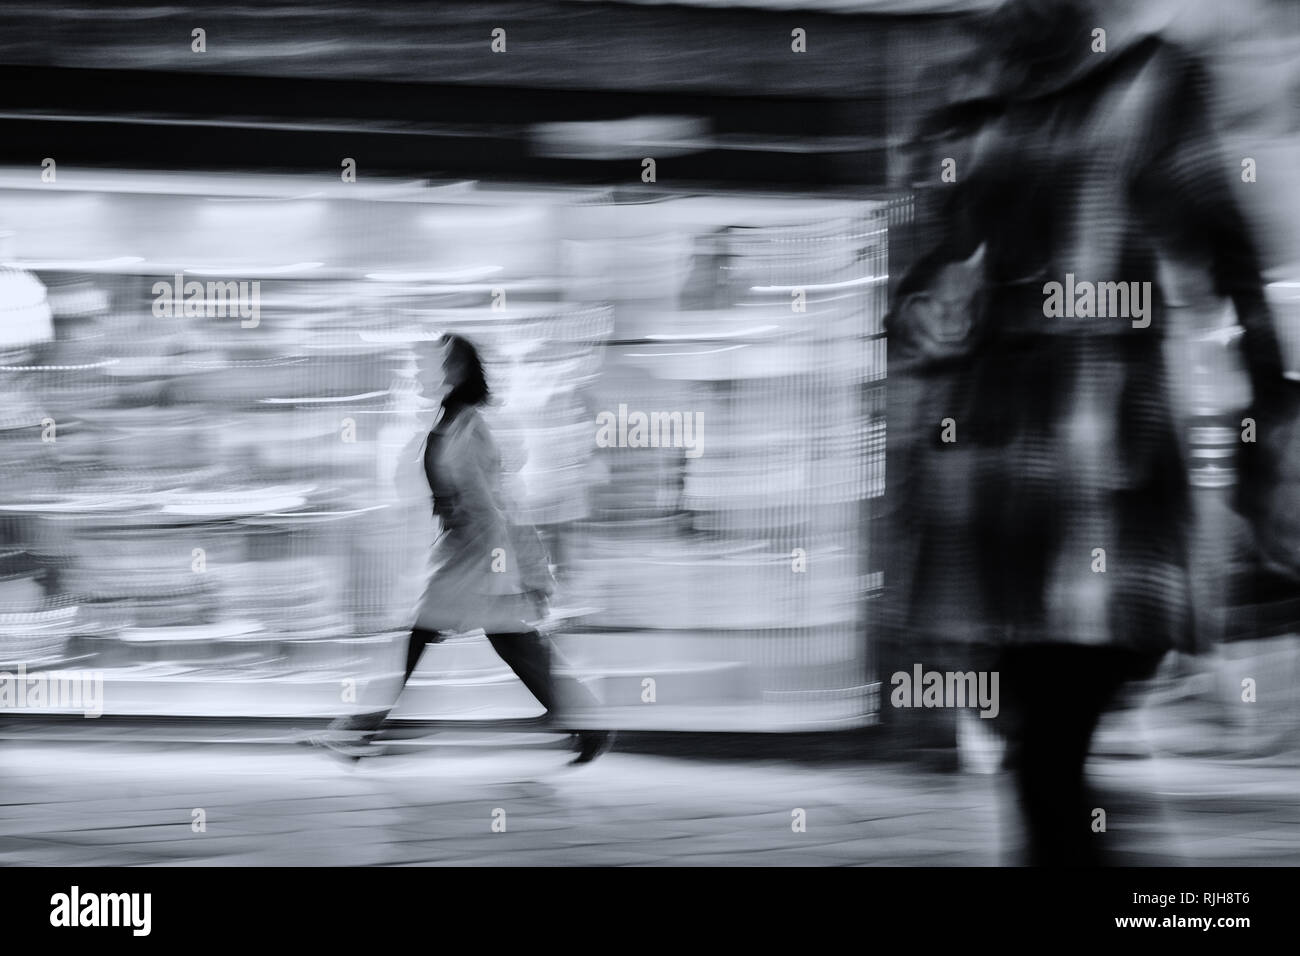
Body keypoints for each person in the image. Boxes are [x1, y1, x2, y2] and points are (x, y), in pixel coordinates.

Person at [898, 0, 1296, 864]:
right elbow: (934, 267)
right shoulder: (969, 97)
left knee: (1048, 754)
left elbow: (1225, 245)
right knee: (1034, 761)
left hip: (1108, 479)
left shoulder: (1153, 80)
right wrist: (926, 310)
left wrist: (1271, 407)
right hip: (988, 479)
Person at [320, 333, 614, 765]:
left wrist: (526, 572)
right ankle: (587, 725)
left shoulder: (470, 429)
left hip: (479, 558)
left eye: (432, 365)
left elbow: (497, 507)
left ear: (455, 372)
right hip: (465, 555)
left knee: (434, 639)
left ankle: (361, 729)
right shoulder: (450, 420)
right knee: (512, 644)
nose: (421, 372)